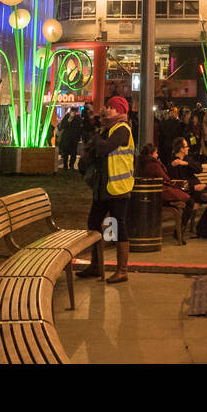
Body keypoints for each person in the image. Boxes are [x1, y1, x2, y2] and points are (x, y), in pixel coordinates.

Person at [78, 95, 136, 284]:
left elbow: (105, 148)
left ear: (120, 111)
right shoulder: (107, 129)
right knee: (93, 223)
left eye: (111, 108)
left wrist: (95, 138)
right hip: (102, 187)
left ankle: (122, 270)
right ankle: (96, 265)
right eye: (108, 107)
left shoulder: (122, 129)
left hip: (117, 188)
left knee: (118, 226)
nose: (108, 110)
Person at [171, 137, 207, 238]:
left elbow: (199, 169)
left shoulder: (187, 159)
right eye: (186, 146)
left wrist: (185, 163)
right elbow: (178, 184)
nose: (188, 148)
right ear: (181, 149)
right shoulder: (173, 163)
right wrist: (194, 187)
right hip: (192, 193)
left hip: (203, 188)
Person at [137, 142, 192, 236]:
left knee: (188, 198)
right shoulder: (154, 165)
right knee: (190, 201)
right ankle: (180, 232)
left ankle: (180, 231)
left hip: (154, 194)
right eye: (156, 153)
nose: (157, 155)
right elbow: (165, 178)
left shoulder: (143, 164)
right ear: (151, 154)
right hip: (162, 193)